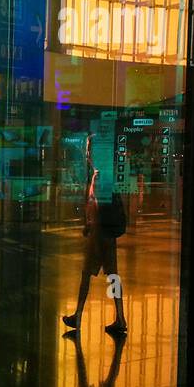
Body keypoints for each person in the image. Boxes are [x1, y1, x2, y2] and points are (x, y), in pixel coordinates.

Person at [62, 133, 128, 336]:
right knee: (112, 276)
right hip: (104, 232)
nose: (87, 153)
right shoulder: (102, 174)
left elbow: (98, 206)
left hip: (99, 234)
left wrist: (90, 225)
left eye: (90, 149)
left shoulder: (100, 176)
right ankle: (119, 316)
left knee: (86, 275)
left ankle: (79, 315)